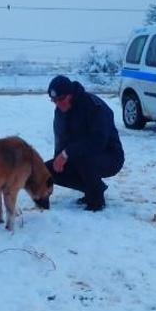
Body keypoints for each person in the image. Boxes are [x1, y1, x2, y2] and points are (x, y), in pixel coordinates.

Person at [44, 75, 125, 211]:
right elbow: (61, 140)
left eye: (61, 99)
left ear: (71, 95)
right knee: (47, 170)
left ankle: (96, 200)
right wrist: (58, 160)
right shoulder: (60, 112)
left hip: (109, 156)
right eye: (54, 101)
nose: (58, 104)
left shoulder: (94, 106)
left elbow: (98, 142)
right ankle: (94, 187)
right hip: (78, 155)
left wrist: (66, 153)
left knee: (84, 159)